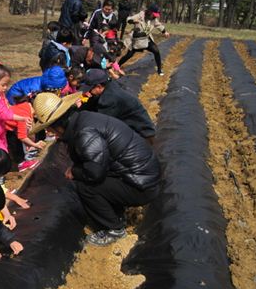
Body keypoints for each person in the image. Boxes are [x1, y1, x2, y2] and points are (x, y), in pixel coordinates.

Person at [31, 92, 160, 246]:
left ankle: (114, 229)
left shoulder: (84, 133)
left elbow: (95, 173)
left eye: (49, 129)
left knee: (86, 187)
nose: (50, 133)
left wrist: (75, 171)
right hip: (143, 176)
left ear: (58, 126)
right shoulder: (84, 119)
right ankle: (117, 215)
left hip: (142, 185)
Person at [80, 69, 156, 142]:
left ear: (99, 86)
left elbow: (100, 123)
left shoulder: (109, 99)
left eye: (90, 89)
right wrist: (84, 99)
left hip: (142, 134)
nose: (88, 92)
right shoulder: (109, 85)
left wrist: (81, 107)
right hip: (137, 126)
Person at [119, 3, 171, 76]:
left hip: (146, 39)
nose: (154, 17)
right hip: (137, 40)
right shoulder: (140, 15)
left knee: (156, 51)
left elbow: (159, 25)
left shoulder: (153, 19)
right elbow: (129, 19)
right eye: (154, 14)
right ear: (149, 12)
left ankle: (159, 70)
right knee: (129, 55)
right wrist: (133, 21)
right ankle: (118, 65)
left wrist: (165, 32)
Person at [6, 101, 45, 172]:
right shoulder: (24, 117)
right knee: (15, 145)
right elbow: (22, 137)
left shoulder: (26, 105)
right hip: (6, 129)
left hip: (9, 125)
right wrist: (35, 145)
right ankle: (21, 163)